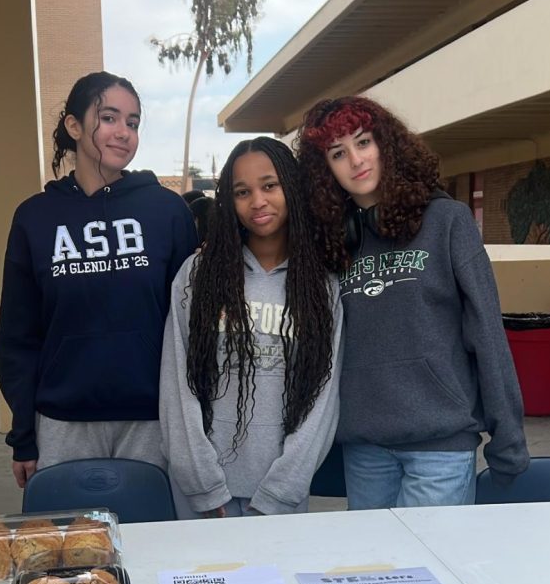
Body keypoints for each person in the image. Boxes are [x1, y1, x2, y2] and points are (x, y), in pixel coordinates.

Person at [296, 95, 528, 509]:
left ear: (387, 144)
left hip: (440, 444)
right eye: (337, 153)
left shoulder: (448, 222)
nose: (355, 160)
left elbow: (488, 334)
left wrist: (507, 435)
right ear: (325, 171)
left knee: (431, 572)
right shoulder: (332, 245)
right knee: (376, 569)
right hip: (366, 446)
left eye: (363, 142)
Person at [0, 71, 198, 488]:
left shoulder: (167, 212)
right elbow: (18, 335)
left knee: (155, 546)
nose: (123, 132)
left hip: (153, 419)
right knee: (69, 549)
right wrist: (23, 436)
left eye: (133, 122)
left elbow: (191, 325)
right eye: (109, 118)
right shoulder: (35, 218)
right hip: (62, 422)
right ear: (74, 126)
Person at [160, 136, 343, 517]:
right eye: (242, 191)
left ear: (290, 188)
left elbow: (322, 400)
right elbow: (177, 386)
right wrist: (203, 487)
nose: (257, 201)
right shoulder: (197, 276)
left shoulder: (321, 286)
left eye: (270, 186)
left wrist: (282, 491)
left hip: (279, 496)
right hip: (205, 496)